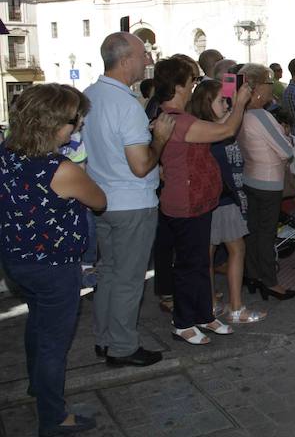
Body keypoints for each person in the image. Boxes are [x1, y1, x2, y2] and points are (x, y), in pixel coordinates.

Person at [0, 84, 107, 437]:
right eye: (73, 120)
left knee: (38, 326)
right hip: (54, 268)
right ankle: (54, 417)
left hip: (16, 260)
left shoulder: (6, 153)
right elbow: (99, 201)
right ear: (55, 125)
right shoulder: (59, 169)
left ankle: (37, 386)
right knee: (53, 344)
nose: (77, 126)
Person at [85, 32, 175, 368]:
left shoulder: (90, 96)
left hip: (101, 201)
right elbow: (141, 166)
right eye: (143, 55)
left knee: (108, 273)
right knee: (127, 279)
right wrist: (160, 139)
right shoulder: (128, 106)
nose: (147, 60)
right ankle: (122, 347)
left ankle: (104, 338)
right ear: (125, 61)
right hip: (131, 204)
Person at [154, 58, 251, 344]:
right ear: (179, 85)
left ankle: (203, 315)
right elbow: (225, 131)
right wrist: (242, 102)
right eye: (192, 81)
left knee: (198, 262)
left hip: (198, 200)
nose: (194, 86)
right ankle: (183, 322)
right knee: (189, 264)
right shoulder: (178, 121)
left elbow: (215, 129)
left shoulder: (181, 119)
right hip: (185, 201)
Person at [188, 80, 266, 325]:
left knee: (208, 254)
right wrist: (240, 102)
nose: (226, 104)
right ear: (206, 103)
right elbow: (228, 127)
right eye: (221, 100)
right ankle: (235, 307)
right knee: (236, 250)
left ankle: (211, 303)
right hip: (220, 200)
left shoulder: (197, 126)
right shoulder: (210, 129)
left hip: (211, 200)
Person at [238, 64, 295, 300]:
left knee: (252, 231)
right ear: (258, 88)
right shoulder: (261, 115)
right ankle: (270, 281)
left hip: (250, 177)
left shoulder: (238, 113)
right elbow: (286, 150)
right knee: (266, 234)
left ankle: (252, 274)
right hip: (268, 181)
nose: (271, 91)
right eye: (269, 85)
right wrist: (285, 136)